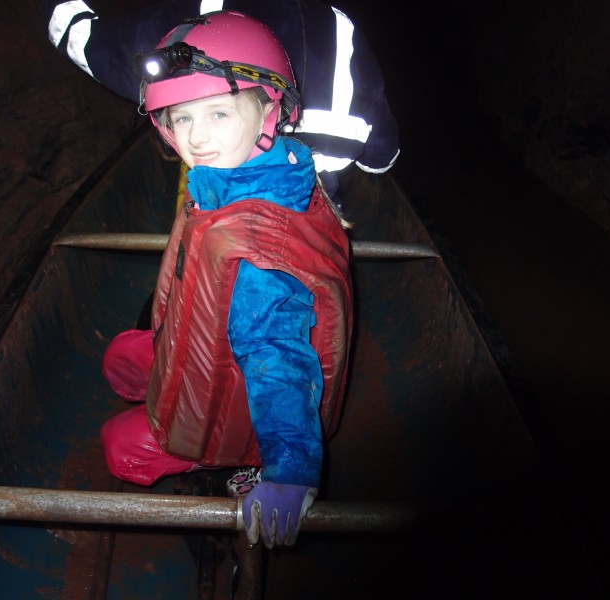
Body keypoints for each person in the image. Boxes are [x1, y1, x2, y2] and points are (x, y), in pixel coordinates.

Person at [98, 11, 353, 550]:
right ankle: (161, 374)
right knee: (123, 354)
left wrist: (290, 470)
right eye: (182, 118)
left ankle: (245, 465)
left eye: (218, 113)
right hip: (209, 344)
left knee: (119, 446)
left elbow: (278, 360)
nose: (197, 138)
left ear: (269, 112)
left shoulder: (259, 255)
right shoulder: (248, 172)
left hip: (241, 408)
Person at [38, 0, 399, 207]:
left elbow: (86, 42)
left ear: (271, 112)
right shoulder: (341, 27)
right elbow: (380, 158)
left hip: (222, 211)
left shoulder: (193, 16)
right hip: (319, 208)